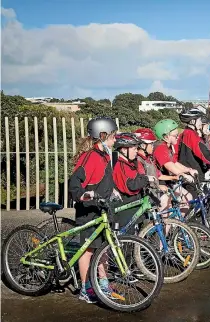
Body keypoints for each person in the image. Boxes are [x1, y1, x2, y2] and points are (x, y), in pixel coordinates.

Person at [69, 116, 118, 303]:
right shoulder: (90, 156)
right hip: (88, 209)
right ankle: (85, 288)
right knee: (87, 250)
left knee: (104, 248)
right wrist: (81, 194)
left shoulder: (104, 155)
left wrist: (112, 191)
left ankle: (103, 284)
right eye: (113, 137)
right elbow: (76, 180)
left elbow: (102, 179)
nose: (115, 141)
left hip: (102, 207)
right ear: (103, 135)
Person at [112, 133, 155, 229]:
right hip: (125, 208)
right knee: (127, 236)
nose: (137, 151)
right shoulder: (121, 165)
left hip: (133, 205)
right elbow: (130, 186)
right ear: (124, 149)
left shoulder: (129, 163)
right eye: (134, 149)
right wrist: (146, 179)